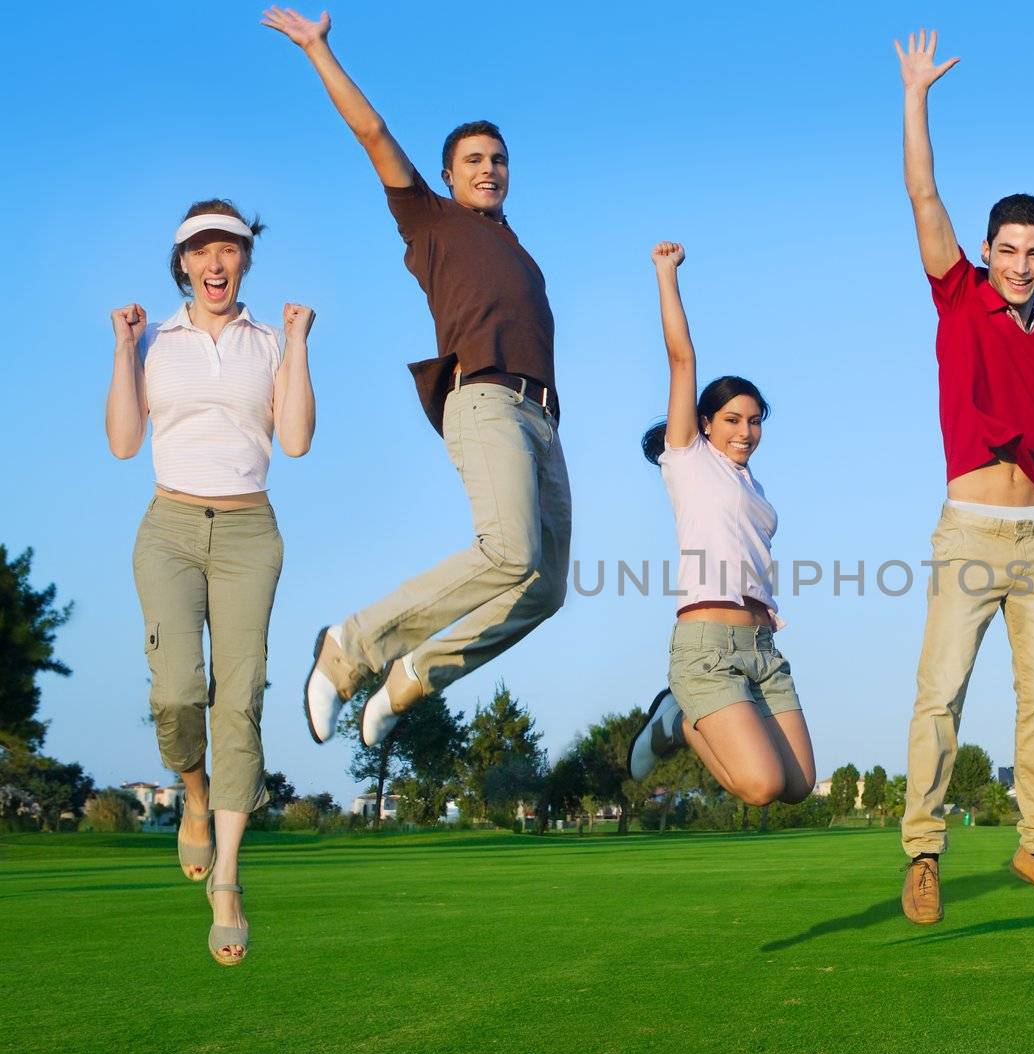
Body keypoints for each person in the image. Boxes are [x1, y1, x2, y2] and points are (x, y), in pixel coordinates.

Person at [263, 8, 569, 749]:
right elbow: (373, 134)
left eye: (497, 158)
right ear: (446, 176)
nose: (489, 168)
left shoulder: (515, 246)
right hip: (484, 396)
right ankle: (351, 648)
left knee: (545, 587)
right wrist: (318, 51)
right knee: (508, 552)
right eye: (473, 159)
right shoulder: (429, 221)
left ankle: (411, 676)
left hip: (543, 418)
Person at [894, 31, 1034, 925]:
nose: (1022, 263)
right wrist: (916, 96)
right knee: (941, 693)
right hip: (969, 531)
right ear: (987, 248)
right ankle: (923, 851)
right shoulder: (958, 293)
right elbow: (923, 192)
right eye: (1010, 248)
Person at [106, 199, 316, 965]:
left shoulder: (269, 341)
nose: (216, 261)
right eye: (203, 251)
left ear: (245, 258)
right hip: (167, 527)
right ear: (184, 264)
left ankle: (226, 877)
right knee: (175, 691)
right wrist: (124, 349)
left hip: (248, 531)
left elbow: (293, 440)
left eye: (229, 247)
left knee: (244, 693)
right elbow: (125, 444)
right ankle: (192, 795)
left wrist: (296, 344)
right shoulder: (156, 337)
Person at [627, 243, 815, 808]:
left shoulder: (751, 486)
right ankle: (681, 720)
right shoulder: (687, 462)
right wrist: (666, 274)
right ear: (705, 424)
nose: (746, 430)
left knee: (799, 786)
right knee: (761, 786)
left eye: (755, 421)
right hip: (707, 646)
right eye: (733, 419)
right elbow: (681, 358)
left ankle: (690, 715)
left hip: (762, 647)